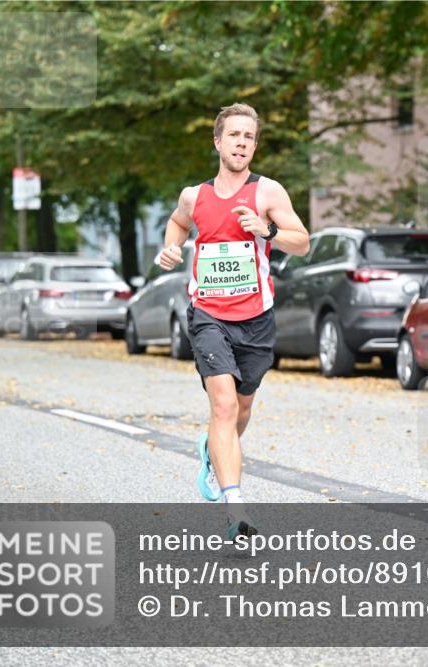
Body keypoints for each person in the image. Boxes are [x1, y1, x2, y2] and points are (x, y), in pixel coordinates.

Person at [158, 103, 309, 537]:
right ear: (218, 142)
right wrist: (171, 247)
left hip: (256, 318)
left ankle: (213, 448)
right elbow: (177, 222)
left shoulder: (268, 193)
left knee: (241, 409)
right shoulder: (195, 195)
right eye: (235, 135)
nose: (242, 143)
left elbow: (303, 243)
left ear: (254, 147)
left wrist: (269, 233)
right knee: (222, 404)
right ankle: (235, 509)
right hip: (208, 314)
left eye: (249, 137)